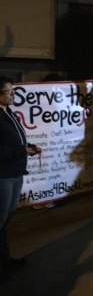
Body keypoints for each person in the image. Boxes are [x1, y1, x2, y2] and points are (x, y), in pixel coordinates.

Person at [0, 76, 41, 283]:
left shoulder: (10, 113)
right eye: (9, 92)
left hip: (16, 171)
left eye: (13, 91)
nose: (13, 95)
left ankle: (4, 260)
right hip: (3, 174)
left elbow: (18, 139)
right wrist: (20, 150)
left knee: (6, 218)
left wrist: (29, 147)